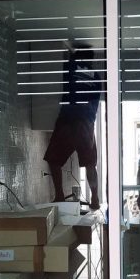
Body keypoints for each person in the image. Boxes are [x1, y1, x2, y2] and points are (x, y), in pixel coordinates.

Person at [44, 42, 102, 210]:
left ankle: (59, 195)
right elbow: (94, 100)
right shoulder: (96, 77)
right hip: (86, 123)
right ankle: (95, 198)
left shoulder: (71, 68)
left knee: (54, 160)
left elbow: (64, 78)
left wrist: (69, 53)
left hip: (67, 120)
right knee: (90, 163)